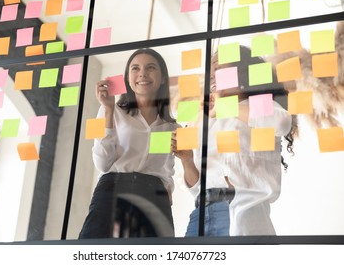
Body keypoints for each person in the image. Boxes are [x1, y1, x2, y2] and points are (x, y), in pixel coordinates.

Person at [174, 45, 295, 236]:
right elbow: (197, 188)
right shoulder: (205, 120)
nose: (212, 75)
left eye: (219, 69)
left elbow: (281, 122)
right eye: (211, 71)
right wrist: (187, 160)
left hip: (240, 209)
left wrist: (225, 106)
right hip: (200, 215)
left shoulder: (257, 105)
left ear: (242, 74)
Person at [79, 48, 178, 238]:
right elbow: (102, 163)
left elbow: (167, 171)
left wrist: (167, 191)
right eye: (135, 68)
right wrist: (107, 109)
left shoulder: (171, 127)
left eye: (150, 68)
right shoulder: (111, 111)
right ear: (127, 77)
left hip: (154, 196)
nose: (142, 73)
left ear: (163, 77)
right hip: (113, 190)